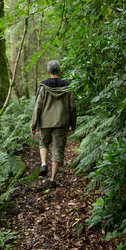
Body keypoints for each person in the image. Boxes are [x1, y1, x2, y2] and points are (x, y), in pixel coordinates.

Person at [30, 60, 76, 188]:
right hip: (61, 123)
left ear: (48, 71)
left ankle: (44, 164)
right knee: (58, 149)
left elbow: (37, 106)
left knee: (44, 143)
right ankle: (52, 180)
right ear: (59, 71)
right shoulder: (68, 86)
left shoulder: (43, 86)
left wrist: (33, 124)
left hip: (45, 122)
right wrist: (73, 124)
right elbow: (72, 107)